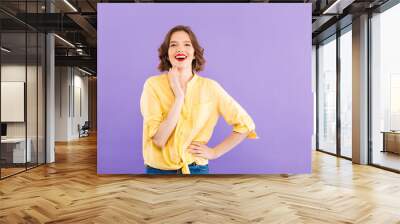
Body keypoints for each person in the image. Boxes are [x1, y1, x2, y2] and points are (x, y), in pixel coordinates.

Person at [140, 25, 258, 175]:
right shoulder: (153, 85)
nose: (180, 49)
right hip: (158, 171)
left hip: (196, 169)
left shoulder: (211, 88)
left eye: (187, 44)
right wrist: (179, 98)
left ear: (195, 53)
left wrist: (215, 152)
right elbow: (159, 139)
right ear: (167, 53)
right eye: (173, 45)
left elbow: (245, 125)